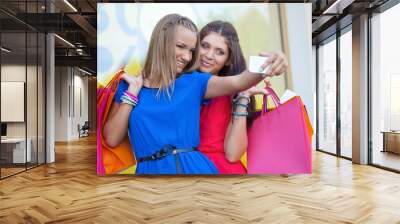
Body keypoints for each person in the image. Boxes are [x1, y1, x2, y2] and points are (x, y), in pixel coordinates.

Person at [103, 14, 281, 175]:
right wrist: (132, 92)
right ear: (161, 41)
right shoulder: (128, 86)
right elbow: (112, 139)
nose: (188, 57)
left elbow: (239, 81)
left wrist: (271, 63)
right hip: (149, 174)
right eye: (181, 47)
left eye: (191, 51)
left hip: (194, 171)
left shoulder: (195, 82)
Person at [198, 21, 288, 174]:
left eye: (219, 52)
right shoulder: (179, 83)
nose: (209, 55)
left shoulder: (231, 92)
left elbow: (233, 155)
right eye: (205, 46)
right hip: (184, 165)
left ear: (228, 60)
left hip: (220, 171)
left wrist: (243, 98)